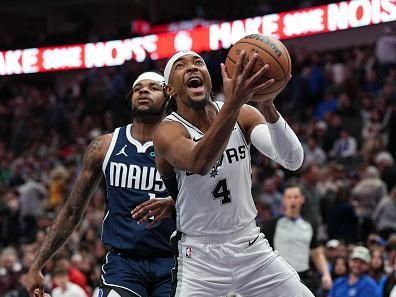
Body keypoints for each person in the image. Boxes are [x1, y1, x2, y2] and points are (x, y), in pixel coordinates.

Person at [143, 50, 312, 296]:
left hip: (250, 246)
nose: (192, 67)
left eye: (198, 62)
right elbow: (199, 162)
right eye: (180, 66)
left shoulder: (244, 114)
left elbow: (293, 160)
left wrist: (267, 106)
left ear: (209, 78)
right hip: (199, 259)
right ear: (170, 89)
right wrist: (233, 104)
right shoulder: (167, 132)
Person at [26, 72, 176, 297]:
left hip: (174, 259)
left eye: (153, 87)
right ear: (130, 98)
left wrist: (174, 203)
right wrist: (38, 264)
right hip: (124, 263)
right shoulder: (105, 146)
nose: (144, 91)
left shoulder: (181, 144)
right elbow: (71, 212)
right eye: (138, 88)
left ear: (168, 97)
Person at [261, 184, 332, 294]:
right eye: (289, 197)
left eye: (296, 197)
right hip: (280, 277)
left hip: (304, 277)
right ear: (284, 200)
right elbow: (263, 252)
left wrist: (326, 274)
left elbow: (317, 253)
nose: (292, 200)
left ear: (302, 199)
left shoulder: (309, 225)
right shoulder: (273, 224)